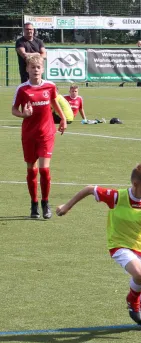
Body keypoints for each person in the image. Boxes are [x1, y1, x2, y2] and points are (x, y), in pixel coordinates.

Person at [55, 163, 141, 332]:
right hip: (119, 246)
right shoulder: (117, 197)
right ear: (135, 185)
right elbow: (89, 189)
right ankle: (132, 301)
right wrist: (67, 207)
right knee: (140, 274)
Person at [11, 53, 67, 219]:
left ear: (42, 69)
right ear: (27, 69)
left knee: (44, 169)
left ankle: (45, 202)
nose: (35, 70)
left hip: (46, 133)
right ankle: (34, 203)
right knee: (31, 171)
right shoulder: (22, 89)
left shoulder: (50, 86)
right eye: (32, 67)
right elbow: (14, 110)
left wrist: (63, 118)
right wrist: (24, 114)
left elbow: (54, 102)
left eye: (38, 67)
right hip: (29, 135)